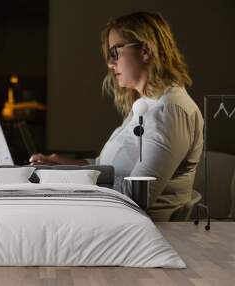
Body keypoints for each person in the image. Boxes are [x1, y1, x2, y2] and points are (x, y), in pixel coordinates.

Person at [29, 11, 203, 221]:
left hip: (143, 234)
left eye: (115, 53)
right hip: (118, 221)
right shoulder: (146, 104)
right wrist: (64, 164)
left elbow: (135, 196)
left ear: (145, 50)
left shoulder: (170, 110)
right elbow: (110, 168)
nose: (110, 64)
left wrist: (67, 179)